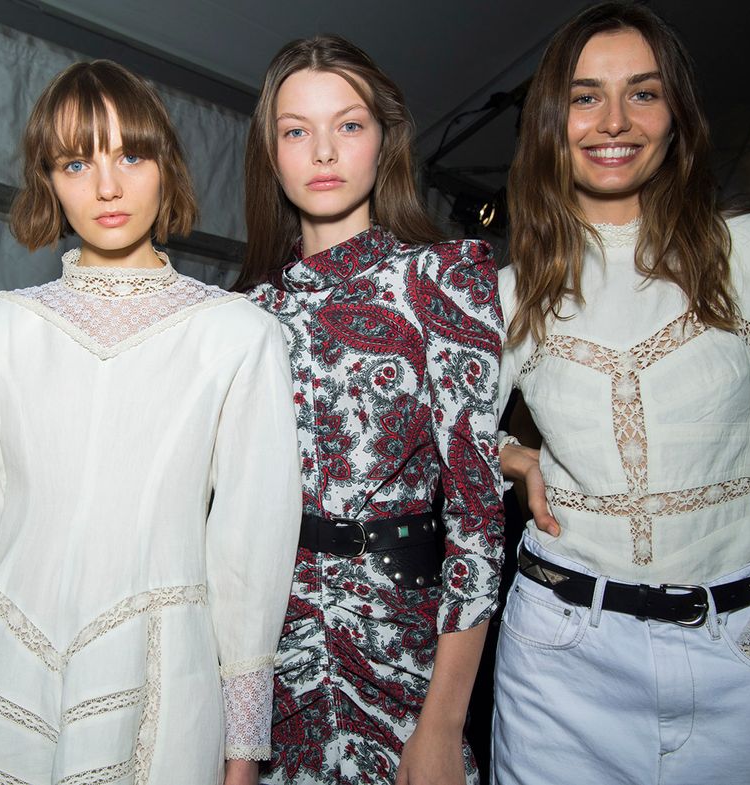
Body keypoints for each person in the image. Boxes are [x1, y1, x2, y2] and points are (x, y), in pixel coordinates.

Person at [490, 4, 750, 784]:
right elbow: (427, 436)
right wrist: (512, 455)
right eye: (585, 96)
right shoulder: (515, 294)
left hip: (736, 658)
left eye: (642, 93)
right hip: (557, 663)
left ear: (677, 115)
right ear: (551, 121)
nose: (614, 120)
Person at [0, 59, 301, 785]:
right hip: (6, 675)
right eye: (76, 161)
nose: (107, 186)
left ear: (166, 166)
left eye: (130, 155)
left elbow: (249, 559)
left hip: (167, 686)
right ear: (49, 181)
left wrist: (242, 750)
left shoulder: (238, 335)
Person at [235, 35, 505, 785]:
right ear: (272, 152)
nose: (323, 150)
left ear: (385, 140)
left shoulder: (443, 280)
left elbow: (478, 521)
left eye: (348, 125)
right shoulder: (244, 316)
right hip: (274, 660)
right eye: (296, 130)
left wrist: (445, 722)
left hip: (406, 655)